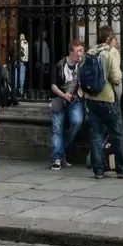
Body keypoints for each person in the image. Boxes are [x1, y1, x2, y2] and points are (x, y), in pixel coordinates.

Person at [81, 25, 123, 180]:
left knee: (96, 135)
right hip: (107, 97)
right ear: (109, 38)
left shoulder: (90, 52)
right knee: (117, 133)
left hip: (92, 98)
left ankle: (98, 170)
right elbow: (116, 77)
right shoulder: (110, 52)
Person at [49, 38, 84, 169]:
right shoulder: (60, 65)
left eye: (81, 51)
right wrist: (63, 95)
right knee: (56, 129)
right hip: (59, 98)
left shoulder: (83, 65)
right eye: (77, 51)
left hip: (75, 99)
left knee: (77, 121)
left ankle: (63, 149)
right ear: (70, 52)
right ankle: (56, 158)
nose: (79, 54)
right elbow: (53, 85)